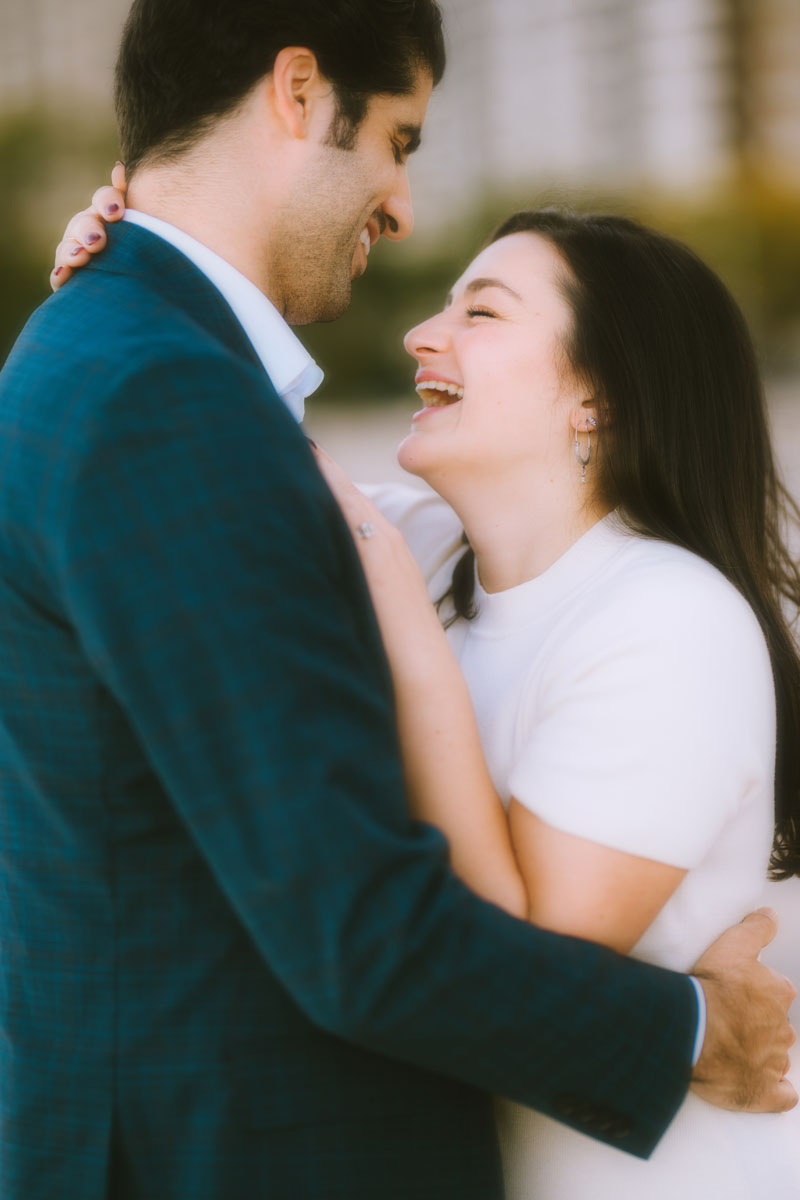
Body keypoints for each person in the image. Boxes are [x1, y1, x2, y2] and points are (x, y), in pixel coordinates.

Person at [7, 1, 793, 1196]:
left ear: (602, 394)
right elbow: (356, 937)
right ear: (299, 92)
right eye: (400, 140)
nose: (401, 205)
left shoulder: (138, 370)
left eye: (484, 309)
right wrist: (687, 1032)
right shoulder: (163, 397)